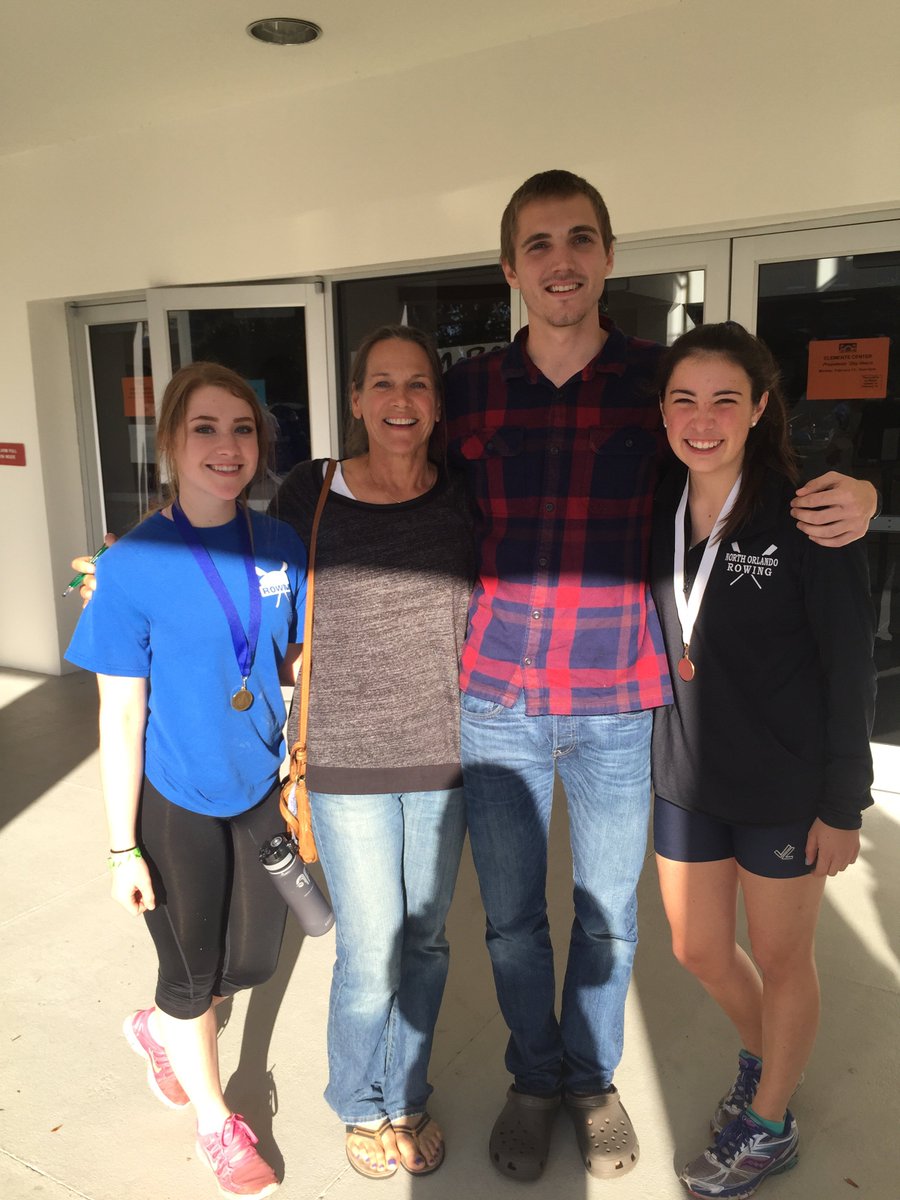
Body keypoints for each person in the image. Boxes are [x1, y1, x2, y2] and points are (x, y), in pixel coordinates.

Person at [443, 169, 878, 1183]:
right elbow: (383, 472)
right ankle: (533, 1078)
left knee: (609, 918)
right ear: (512, 268)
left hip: (617, 707)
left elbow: (764, 440)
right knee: (512, 920)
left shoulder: (655, 382)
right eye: (540, 244)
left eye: (581, 238)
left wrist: (860, 491)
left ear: (606, 257)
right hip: (499, 697)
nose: (562, 260)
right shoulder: (465, 388)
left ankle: (593, 1080)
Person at [66, 363, 308, 1200]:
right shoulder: (132, 565)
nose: (226, 446)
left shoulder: (279, 545)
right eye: (204, 428)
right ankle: (215, 1121)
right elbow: (119, 717)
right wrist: (118, 848)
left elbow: (294, 654)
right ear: (170, 441)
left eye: (242, 429)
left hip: (258, 789)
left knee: (251, 961)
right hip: (175, 801)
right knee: (193, 971)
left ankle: (161, 1031)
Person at [649, 323, 875, 1198]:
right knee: (698, 948)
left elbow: (852, 663)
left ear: (759, 409)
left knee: (784, 960)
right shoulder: (657, 502)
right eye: (684, 399)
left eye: (724, 400)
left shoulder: (809, 511)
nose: (702, 420)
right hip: (687, 776)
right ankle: (767, 1054)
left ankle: (771, 1122)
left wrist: (844, 802)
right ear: (663, 410)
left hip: (784, 787)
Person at [269, 324, 476, 1178]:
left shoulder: (463, 493)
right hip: (346, 760)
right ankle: (359, 1101)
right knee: (372, 944)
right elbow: (261, 595)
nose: (401, 402)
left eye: (418, 385)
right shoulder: (309, 491)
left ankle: (407, 1093)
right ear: (355, 400)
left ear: (436, 401)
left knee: (426, 939)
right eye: (382, 384)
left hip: (444, 753)